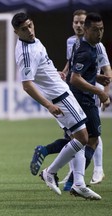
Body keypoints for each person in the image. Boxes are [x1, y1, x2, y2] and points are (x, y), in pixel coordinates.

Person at [11, 12, 101, 200]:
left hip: (61, 90)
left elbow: (42, 68)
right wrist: (49, 105)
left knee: (75, 140)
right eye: (23, 29)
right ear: (15, 32)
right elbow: (27, 85)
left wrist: (55, 73)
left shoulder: (34, 41)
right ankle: (50, 172)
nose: (29, 31)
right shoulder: (25, 54)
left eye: (30, 25)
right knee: (83, 138)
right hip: (59, 96)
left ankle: (78, 184)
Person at [30, 10, 112, 189]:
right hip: (81, 96)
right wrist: (101, 93)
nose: (79, 26)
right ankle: (72, 180)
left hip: (73, 93)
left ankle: (60, 168)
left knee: (76, 139)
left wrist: (97, 80)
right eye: (77, 22)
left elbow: (86, 69)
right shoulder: (83, 46)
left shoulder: (83, 45)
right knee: (89, 139)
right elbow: (77, 74)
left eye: (82, 22)